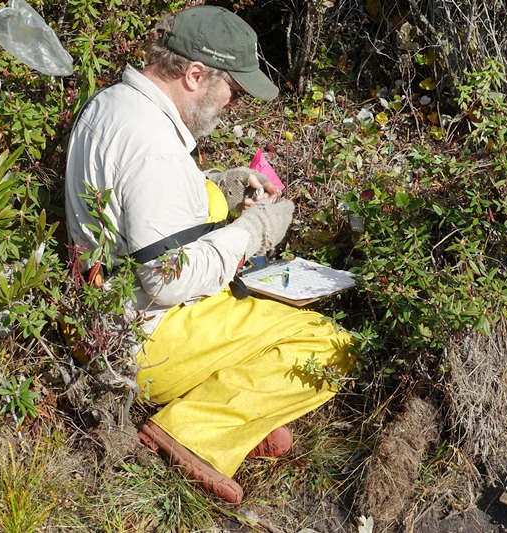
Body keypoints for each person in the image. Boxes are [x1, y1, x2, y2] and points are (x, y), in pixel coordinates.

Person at [64, 5, 355, 504]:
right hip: (143, 338)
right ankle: (193, 435)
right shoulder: (154, 146)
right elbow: (166, 278)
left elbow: (145, 206)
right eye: (234, 92)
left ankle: (238, 422)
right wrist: (253, 232)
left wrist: (222, 185)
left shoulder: (114, 104)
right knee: (330, 345)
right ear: (196, 74)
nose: (233, 105)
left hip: (98, 315)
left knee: (269, 315)